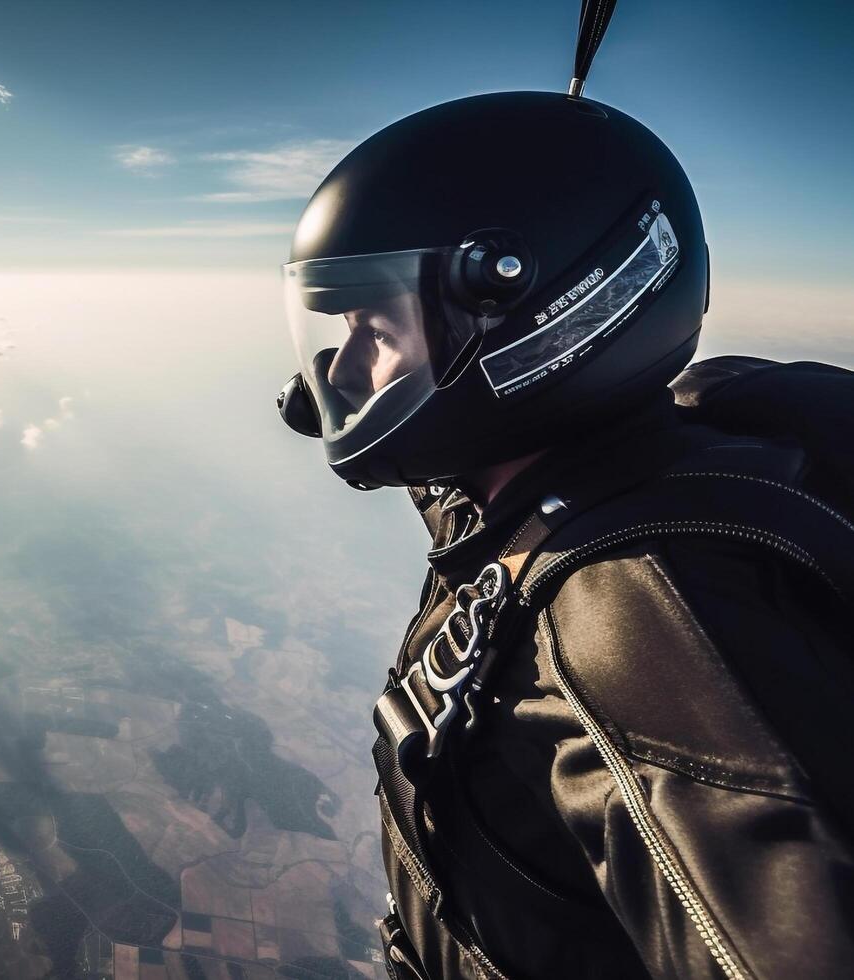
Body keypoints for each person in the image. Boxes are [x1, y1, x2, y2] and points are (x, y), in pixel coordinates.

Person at [276, 90, 854, 978]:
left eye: (377, 327)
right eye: (341, 327)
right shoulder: (563, 485)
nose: (338, 373)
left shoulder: (642, 621)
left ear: (536, 326)